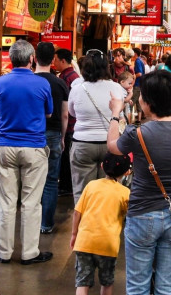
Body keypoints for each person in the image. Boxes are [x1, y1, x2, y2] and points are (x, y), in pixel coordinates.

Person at [107, 70, 171, 295]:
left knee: (137, 285)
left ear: (145, 102)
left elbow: (113, 147)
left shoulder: (139, 133)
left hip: (142, 214)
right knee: (168, 285)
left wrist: (115, 113)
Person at [0, 39, 53, 265]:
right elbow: (48, 114)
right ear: (32, 59)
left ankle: (4, 252)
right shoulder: (42, 84)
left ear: (10, 59)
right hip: (34, 147)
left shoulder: (0, 82)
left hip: (6, 145)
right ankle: (29, 252)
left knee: (7, 202)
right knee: (31, 202)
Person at [70, 152, 131, 295]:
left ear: (102, 166)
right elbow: (130, 216)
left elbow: (77, 212)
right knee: (107, 282)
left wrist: (74, 234)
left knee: (82, 283)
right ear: (127, 172)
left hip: (85, 242)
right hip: (108, 245)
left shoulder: (91, 185)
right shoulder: (125, 192)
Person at [68, 49, 124, 203]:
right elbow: (119, 113)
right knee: (108, 192)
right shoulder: (116, 88)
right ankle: (105, 225)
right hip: (110, 144)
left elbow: (72, 112)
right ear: (106, 67)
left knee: (82, 192)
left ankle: (83, 225)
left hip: (83, 144)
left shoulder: (77, 89)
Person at [35, 42, 69, 234]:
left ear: (34, 58)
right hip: (53, 134)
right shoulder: (60, 83)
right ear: (53, 60)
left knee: (31, 179)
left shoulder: (29, 81)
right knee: (50, 180)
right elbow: (65, 114)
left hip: (31, 135)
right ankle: (46, 224)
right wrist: (63, 137)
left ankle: (30, 222)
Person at [54, 48, 80, 197]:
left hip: (69, 124)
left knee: (65, 157)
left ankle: (66, 186)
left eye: (56, 60)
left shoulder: (69, 77)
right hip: (70, 123)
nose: (54, 63)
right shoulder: (69, 76)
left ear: (63, 61)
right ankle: (65, 185)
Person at [132, 48, 145, 123]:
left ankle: (129, 119)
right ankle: (139, 120)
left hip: (137, 84)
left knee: (132, 101)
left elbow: (139, 73)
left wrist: (133, 76)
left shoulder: (137, 61)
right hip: (140, 84)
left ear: (135, 53)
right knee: (138, 102)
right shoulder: (141, 60)